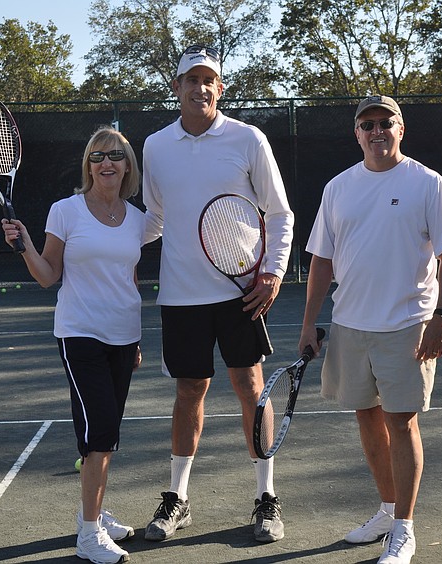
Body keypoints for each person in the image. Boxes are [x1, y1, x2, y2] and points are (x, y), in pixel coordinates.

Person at [299, 95, 442, 564]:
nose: (376, 131)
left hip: (408, 325)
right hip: (350, 325)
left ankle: (404, 529)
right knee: (366, 418)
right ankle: (387, 511)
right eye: (367, 124)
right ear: (357, 134)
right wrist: (310, 322)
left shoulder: (428, 183)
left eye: (385, 123)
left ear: (400, 128)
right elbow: (321, 261)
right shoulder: (338, 188)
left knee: (401, 421)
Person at [140, 45, 294, 544]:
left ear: (220, 88)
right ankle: (177, 498)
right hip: (181, 296)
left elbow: (279, 212)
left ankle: (267, 497)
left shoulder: (249, 139)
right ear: (176, 88)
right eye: (191, 80)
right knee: (189, 391)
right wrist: (89, 233)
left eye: (210, 80)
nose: (200, 88)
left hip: (240, 293)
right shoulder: (155, 146)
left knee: (252, 388)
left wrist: (271, 273)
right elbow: (154, 220)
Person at [2, 126, 152, 564]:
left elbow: (131, 277)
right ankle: (88, 536)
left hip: (124, 338)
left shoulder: (138, 218)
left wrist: (137, 339)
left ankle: (96, 514)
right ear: (88, 166)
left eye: (116, 156)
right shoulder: (65, 210)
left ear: (128, 167)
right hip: (80, 333)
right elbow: (49, 274)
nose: (106, 163)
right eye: (97, 156)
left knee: (103, 435)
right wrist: (25, 244)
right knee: (101, 432)